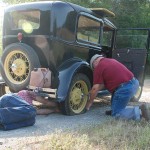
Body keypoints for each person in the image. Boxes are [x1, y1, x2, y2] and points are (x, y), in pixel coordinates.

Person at [86, 54, 150, 121]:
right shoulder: (111, 60)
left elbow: (95, 88)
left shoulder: (99, 66)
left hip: (124, 88)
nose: (94, 69)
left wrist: (89, 102)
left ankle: (140, 112)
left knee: (117, 114)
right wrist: (93, 91)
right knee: (116, 97)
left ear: (95, 62)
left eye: (93, 67)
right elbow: (100, 85)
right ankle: (116, 109)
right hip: (134, 83)